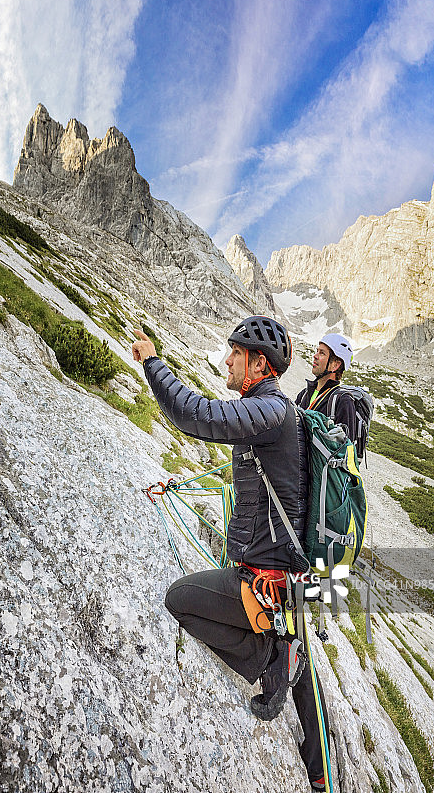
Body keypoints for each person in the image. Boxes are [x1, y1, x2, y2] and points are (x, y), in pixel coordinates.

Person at [133, 317, 330, 792]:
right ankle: (320, 772)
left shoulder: (270, 411)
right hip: (291, 577)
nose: (225, 360)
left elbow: (194, 415)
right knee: (303, 670)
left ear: (258, 363)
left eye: (234, 354)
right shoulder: (278, 416)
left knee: (179, 599)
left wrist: (152, 362)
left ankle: (267, 658)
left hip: (266, 580)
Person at [296, 334, 356, 441]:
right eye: (317, 351)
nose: (315, 356)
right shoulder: (304, 394)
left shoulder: (343, 401)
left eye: (322, 353)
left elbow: (347, 449)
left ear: (335, 365)